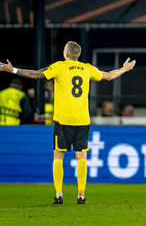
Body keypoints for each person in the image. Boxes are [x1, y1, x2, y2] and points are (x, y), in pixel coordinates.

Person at [0, 41, 136, 204]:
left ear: (65, 54)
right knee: (82, 157)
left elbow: (37, 74)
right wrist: (124, 69)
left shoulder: (59, 67)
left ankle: (59, 194)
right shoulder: (87, 68)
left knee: (58, 156)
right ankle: (81, 195)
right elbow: (108, 76)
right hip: (82, 120)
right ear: (78, 55)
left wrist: (13, 69)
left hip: (63, 119)